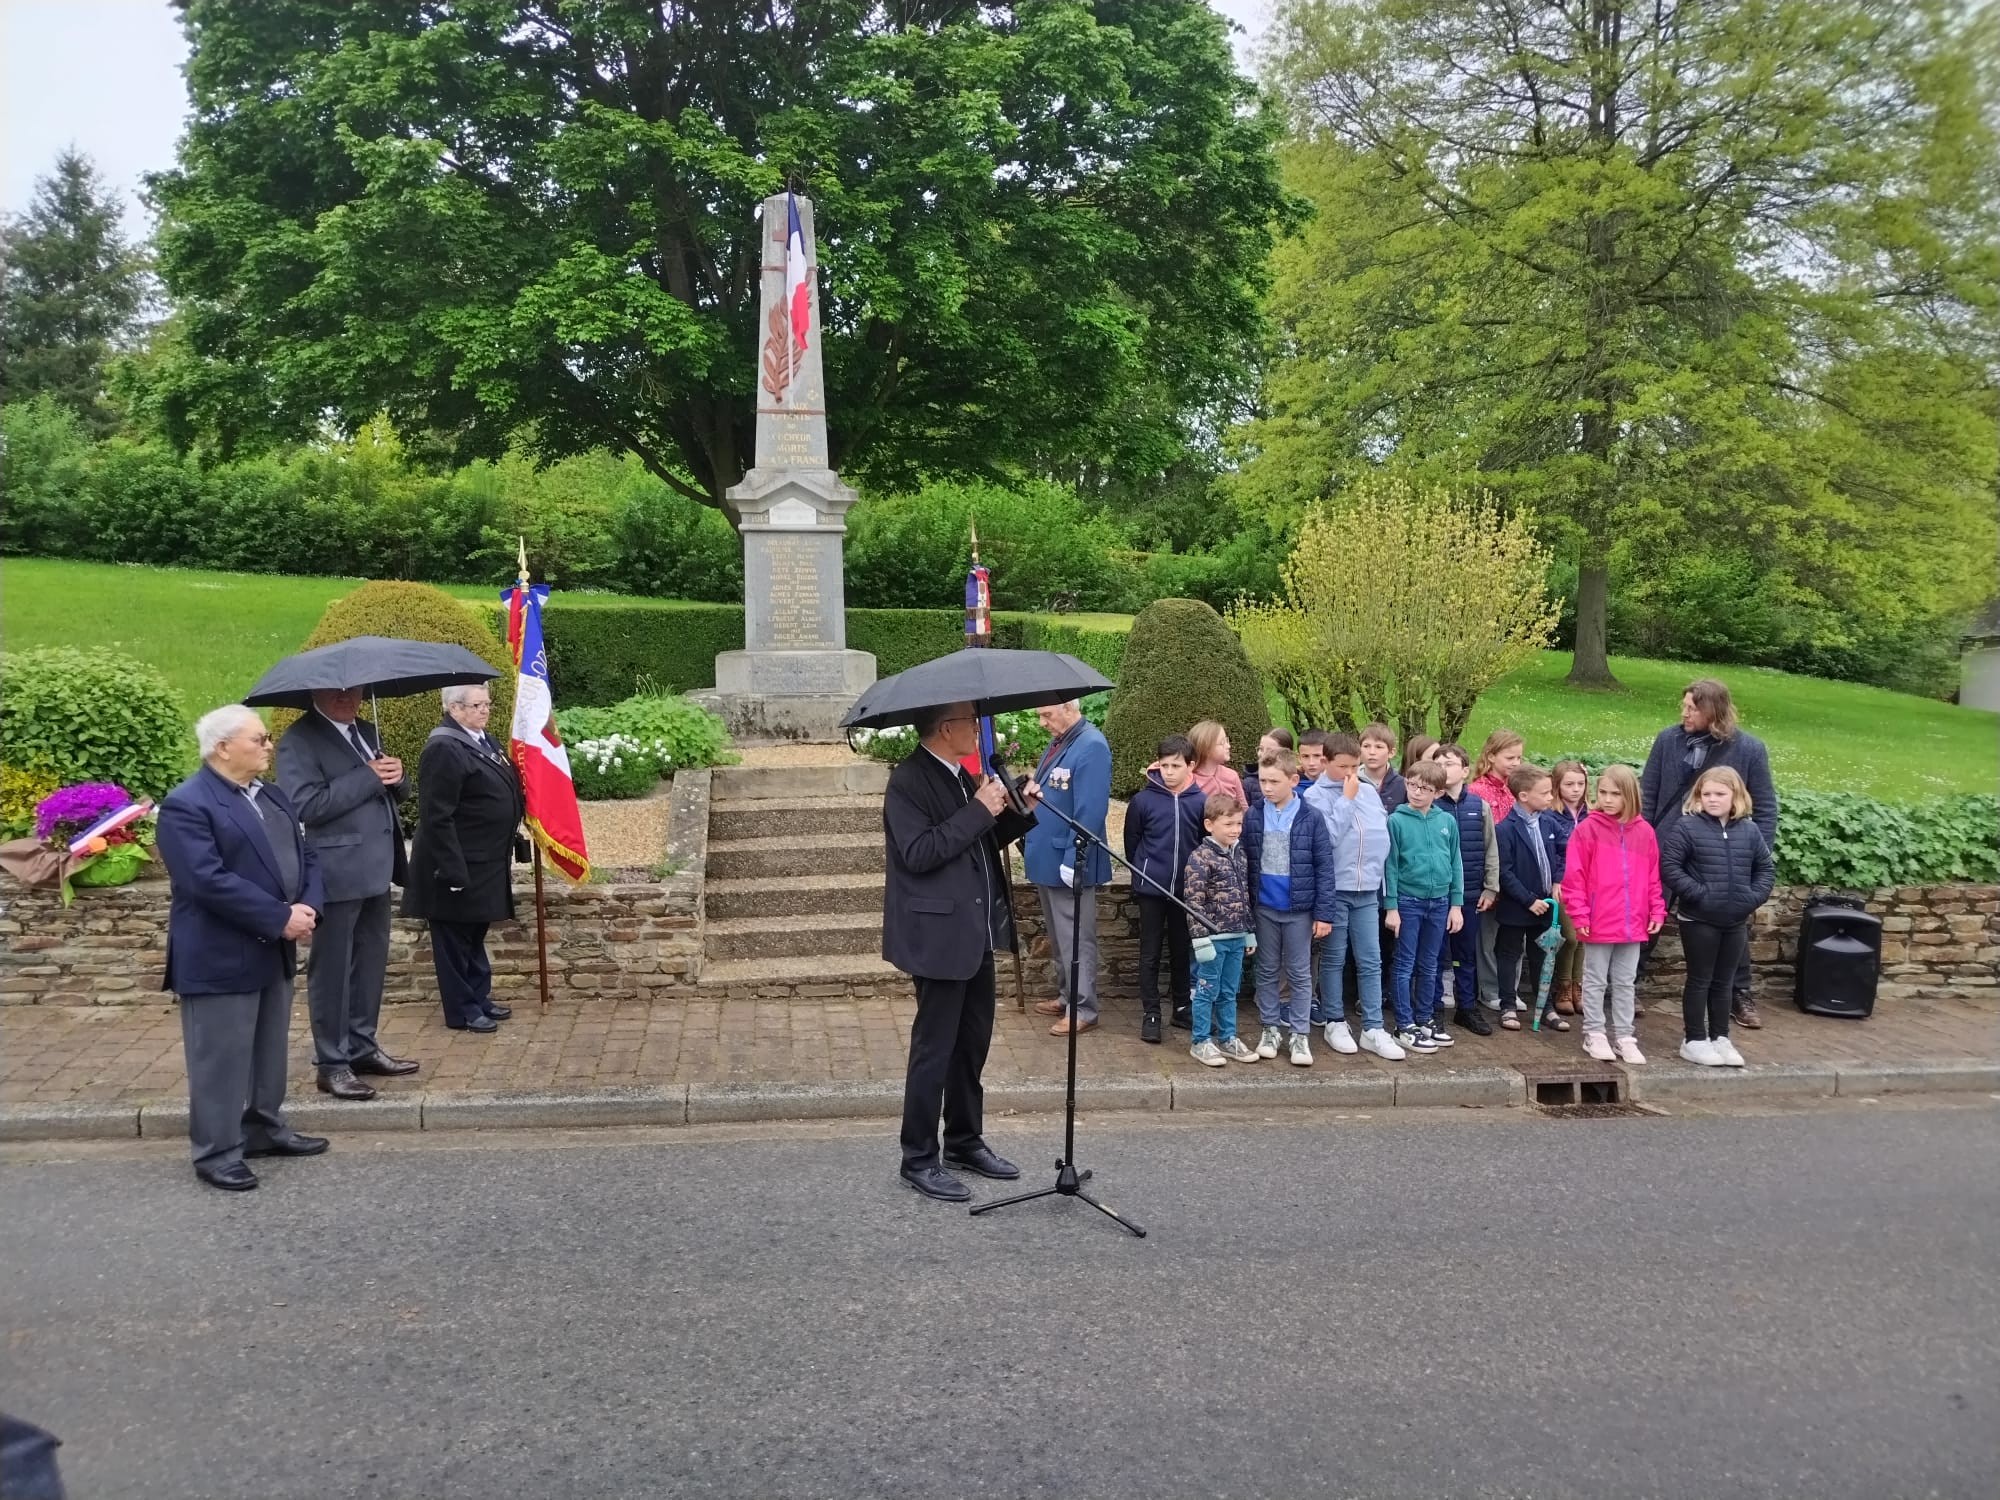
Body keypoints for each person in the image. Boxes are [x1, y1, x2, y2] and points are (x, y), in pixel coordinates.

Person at [154, 704, 329, 1191]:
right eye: (260, 738)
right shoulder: (188, 804)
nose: (269, 746)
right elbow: (204, 880)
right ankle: (215, 1151)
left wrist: (309, 906)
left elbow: (305, 853)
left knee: (268, 1051)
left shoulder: (271, 796)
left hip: (273, 946)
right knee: (221, 1057)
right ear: (223, 747)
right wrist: (280, 917)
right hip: (220, 952)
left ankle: (262, 1128)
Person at [882, 700, 1042, 1200]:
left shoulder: (959, 774)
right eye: (971, 723)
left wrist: (1017, 814)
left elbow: (977, 840)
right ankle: (918, 1157)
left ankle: (964, 1140)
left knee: (972, 1043)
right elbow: (921, 852)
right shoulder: (908, 781)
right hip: (937, 936)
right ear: (946, 728)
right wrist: (978, 809)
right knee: (935, 1049)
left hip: (974, 931)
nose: (978, 729)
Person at [275, 685, 420, 1101]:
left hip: (377, 867)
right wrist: (367, 776)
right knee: (333, 971)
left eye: (354, 690)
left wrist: (399, 777)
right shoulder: (300, 740)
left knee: (370, 965)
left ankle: (362, 1046)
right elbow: (305, 805)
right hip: (335, 874)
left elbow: (394, 794)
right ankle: (332, 1063)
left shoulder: (368, 730)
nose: (347, 698)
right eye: (336, 692)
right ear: (315, 693)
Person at [1639, 678, 1780, 1030]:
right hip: (1668, 843)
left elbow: (1764, 808)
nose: (1684, 713)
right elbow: (1649, 794)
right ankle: (1631, 984)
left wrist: (1752, 855)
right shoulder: (1668, 739)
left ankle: (1738, 994)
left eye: (1692, 708)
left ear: (1713, 711)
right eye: (1683, 706)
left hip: (1725, 849)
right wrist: (1640, 841)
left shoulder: (1749, 749)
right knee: (1648, 913)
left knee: (1732, 921)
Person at [402, 683, 526, 1033]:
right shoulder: (443, 747)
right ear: (453, 709)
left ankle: (479, 997)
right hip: (456, 863)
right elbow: (437, 816)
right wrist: (452, 870)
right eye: (476, 705)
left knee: (474, 932)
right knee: (454, 938)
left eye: (487, 704)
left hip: (485, 859)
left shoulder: (483, 740)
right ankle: (462, 1010)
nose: (485, 710)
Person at [1660, 766, 1774, 1069]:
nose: (1712, 799)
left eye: (1720, 794)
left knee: (1725, 982)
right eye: (1706, 793)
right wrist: (1699, 893)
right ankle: (1694, 1039)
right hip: (1699, 919)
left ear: (1735, 796)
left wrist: (1750, 899)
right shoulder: (1687, 827)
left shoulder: (1749, 830)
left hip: (1735, 920)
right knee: (1700, 979)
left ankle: (1720, 1036)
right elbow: (1670, 866)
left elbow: (1765, 869)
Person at [1302, 734, 1404, 1060]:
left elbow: (1380, 835)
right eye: (1342, 766)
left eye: (1354, 766)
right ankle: (1334, 1020)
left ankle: (1373, 1027)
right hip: (1336, 889)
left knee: (1371, 959)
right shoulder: (1315, 797)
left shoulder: (1370, 791)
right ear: (1326, 762)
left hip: (1367, 889)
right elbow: (1328, 838)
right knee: (1334, 959)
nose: (1350, 772)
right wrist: (1346, 799)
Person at [1560, 764, 1665, 1065]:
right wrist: (1580, 915)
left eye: (1615, 794)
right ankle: (1594, 1032)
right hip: (1598, 920)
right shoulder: (1587, 830)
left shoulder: (1645, 832)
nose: (1607, 799)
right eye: (1603, 792)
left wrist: (1656, 907)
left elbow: (1653, 876)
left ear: (1629, 795)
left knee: (1625, 981)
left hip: (1632, 922)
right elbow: (1574, 878)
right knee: (1594, 980)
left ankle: (1624, 1035)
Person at [1241, 750, 1336, 1066]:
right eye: (1263, 781)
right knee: (1266, 969)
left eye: (1274, 781)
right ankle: (1269, 1028)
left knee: (1298, 972)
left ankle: (1299, 1034)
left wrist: (1324, 913)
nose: (1266, 788)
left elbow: (1324, 866)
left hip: (1299, 909)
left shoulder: (1311, 817)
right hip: (1265, 907)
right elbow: (1246, 863)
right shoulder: (1254, 815)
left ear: (1293, 781)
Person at [1024, 699, 1112, 1036]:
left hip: (1068, 858)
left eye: (1047, 714)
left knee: (1076, 937)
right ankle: (1066, 996)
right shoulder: (1063, 740)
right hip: (1047, 855)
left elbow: (1089, 812)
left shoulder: (1091, 746)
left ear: (1068, 708)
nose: (1043, 723)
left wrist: (1074, 859)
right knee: (1060, 936)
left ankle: (1084, 1008)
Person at [1123, 734, 1205, 1042]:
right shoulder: (1143, 801)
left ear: (1190, 766)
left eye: (1176, 766)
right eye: (1165, 765)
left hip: (1185, 892)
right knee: (1151, 952)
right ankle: (1151, 1012)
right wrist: (1143, 874)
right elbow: (1132, 843)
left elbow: (1201, 843)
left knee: (1182, 950)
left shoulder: (1199, 801)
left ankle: (1183, 1007)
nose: (1169, 772)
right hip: (1152, 891)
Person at [1382, 760, 1463, 1053]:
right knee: (1404, 963)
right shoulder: (1397, 821)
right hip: (1408, 901)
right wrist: (1391, 906)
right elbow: (1389, 867)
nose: (1416, 792)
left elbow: (1456, 862)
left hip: (1439, 902)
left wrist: (1456, 904)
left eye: (1425, 788)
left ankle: (1425, 1018)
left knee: (1430, 965)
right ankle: (1403, 1024)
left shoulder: (1446, 822)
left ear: (1438, 793)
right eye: (1412, 785)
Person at [1180, 792, 1261, 1067]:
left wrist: (1249, 931)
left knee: (1229, 992)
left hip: (1237, 938)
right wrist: (1200, 940)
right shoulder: (1200, 858)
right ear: (1209, 824)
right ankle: (1200, 1040)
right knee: (1206, 991)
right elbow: (1193, 902)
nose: (1235, 830)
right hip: (1212, 940)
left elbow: (1244, 897)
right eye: (1228, 824)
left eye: (1238, 824)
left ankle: (1228, 1037)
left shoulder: (1240, 854)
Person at [1493, 764, 1568, 1031]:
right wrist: (1528, 900)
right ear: (1524, 796)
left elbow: (1564, 851)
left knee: (1544, 956)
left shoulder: (1550, 823)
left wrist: (1558, 880)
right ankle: (1508, 1006)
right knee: (1509, 954)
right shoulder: (1506, 829)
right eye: (1545, 793)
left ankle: (1545, 1006)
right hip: (1518, 906)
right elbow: (1504, 871)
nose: (1551, 797)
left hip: (1547, 906)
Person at [1433, 744, 1497, 1037]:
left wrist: (1490, 887)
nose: (1444, 767)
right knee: (1434, 955)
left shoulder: (1479, 806)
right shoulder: (1431, 805)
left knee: (1464, 955)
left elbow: (1490, 848)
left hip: (1470, 894)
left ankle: (1466, 1008)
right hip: (1435, 895)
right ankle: (1432, 1009)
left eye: (1449, 763)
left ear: (1464, 770)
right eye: (1438, 763)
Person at [1469, 728, 1526, 1008]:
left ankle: (1510, 990)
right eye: (1510, 757)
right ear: (1491, 756)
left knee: (1513, 937)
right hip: (1491, 873)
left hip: (1515, 874)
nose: (1516, 763)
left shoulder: (1514, 791)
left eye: (1519, 757)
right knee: (1489, 937)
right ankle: (1491, 990)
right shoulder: (1478, 791)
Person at [1546, 759, 1592, 1018]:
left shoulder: (1591, 814)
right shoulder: (1552, 815)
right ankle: (1563, 985)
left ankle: (1577, 987)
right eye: (1569, 784)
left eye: (1580, 784)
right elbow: (1552, 853)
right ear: (1557, 786)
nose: (1575, 789)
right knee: (1570, 936)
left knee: (1584, 935)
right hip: (1564, 884)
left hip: (1588, 884)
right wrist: (1556, 880)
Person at [1187, 719, 1248, 811]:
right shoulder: (1190, 781)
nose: (1229, 746)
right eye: (1222, 742)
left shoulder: (1232, 775)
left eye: (1227, 740)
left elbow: (1243, 809)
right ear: (1206, 748)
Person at [1236, 725, 1289, 810]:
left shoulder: (1295, 779)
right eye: (1261, 749)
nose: (1262, 754)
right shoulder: (1248, 784)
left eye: (1270, 750)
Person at [1358, 723, 1407, 813]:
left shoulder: (1402, 785)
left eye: (1379, 747)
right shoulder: (1349, 782)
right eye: (1366, 746)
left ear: (1391, 752)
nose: (1372, 752)